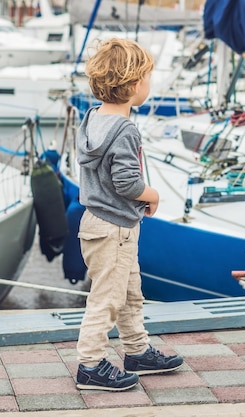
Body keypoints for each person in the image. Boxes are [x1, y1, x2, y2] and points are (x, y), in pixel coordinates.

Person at [74, 38, 183, 392]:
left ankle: (137, 351)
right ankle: (89, 364)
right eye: (148, 79)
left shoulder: (91, 120)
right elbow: (126, 182)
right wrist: (151, 194)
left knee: (130, 292)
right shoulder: (125, 130)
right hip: (114, 229)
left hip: (98, 223)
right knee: (107, 298)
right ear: (136, 86)